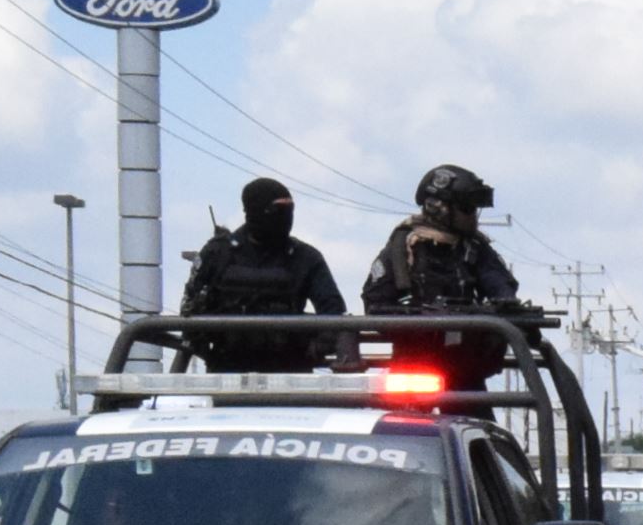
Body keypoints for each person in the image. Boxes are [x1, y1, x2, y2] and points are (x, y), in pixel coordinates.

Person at [363, 162, 533, 393]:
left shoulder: (474, 247)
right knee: (404, 425)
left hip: (464, 367)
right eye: (467, 208)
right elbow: (375, 302)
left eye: (476, 209)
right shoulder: (405, 245)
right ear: (438, 207)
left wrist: (505, 308)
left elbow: (499, 286)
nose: (474, 216)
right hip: (414, 364)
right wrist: (417, 322)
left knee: (478, 422)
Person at [176, 176, 346, 372]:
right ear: (255, 211)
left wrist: (315, 348)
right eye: (278, 210)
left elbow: (334, 314)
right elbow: (189, 311)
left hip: (292, 374)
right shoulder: (217, 254)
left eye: (289, 210)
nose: (285, 217)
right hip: (225, 373)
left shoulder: (305, 257)